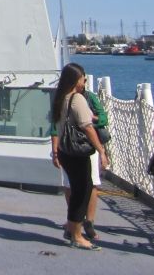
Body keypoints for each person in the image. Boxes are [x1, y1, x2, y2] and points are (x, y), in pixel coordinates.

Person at [50, 63, 109, 251]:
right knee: (82, 191)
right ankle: (76, 235)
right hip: (78, 152)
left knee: (78, 189)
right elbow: (87, 126)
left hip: (66, 151)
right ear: (76, 80)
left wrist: (56, 150)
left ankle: (71, 228)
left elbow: (57, 126)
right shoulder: (77, 99)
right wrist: (101, 150)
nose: (84, 81)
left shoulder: (61, 99)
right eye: (82, 78)